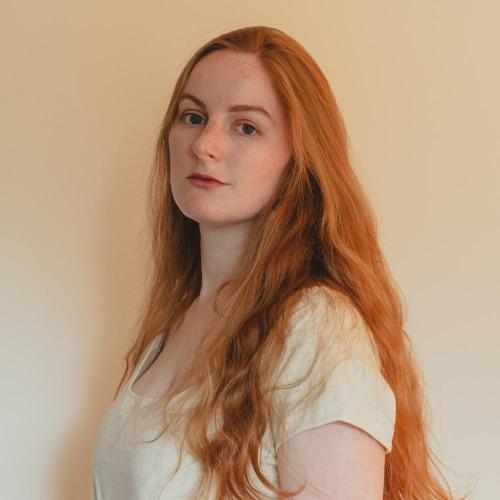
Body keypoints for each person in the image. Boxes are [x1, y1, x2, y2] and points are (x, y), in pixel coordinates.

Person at [92, 25, 464, 499]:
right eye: (192, 116)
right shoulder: (177, 320)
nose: (205, 144)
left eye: (245, 126)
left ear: (299, 158)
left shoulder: (315, 324)